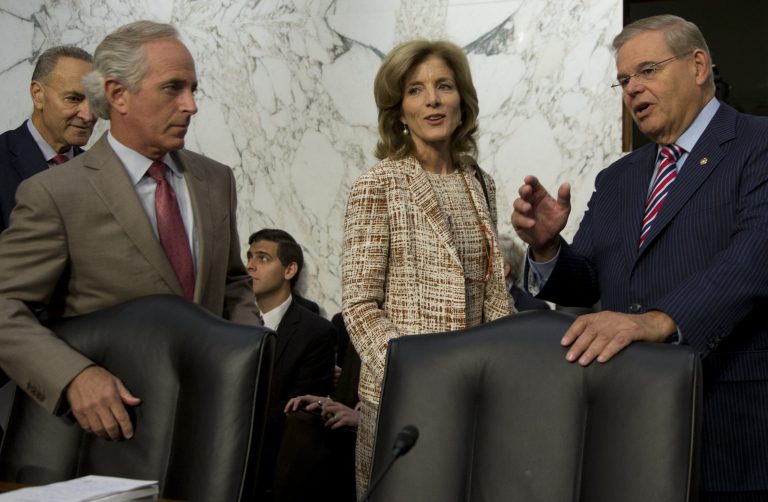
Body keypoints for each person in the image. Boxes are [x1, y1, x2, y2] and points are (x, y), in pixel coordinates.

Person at [512, 15, 768, 500]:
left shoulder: (758, 145)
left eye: (647, 70)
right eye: (624, 79)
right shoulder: (618, 177)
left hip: (732, 425)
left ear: (697, 66)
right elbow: (584, 283)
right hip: (628, 427)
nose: (632, 89)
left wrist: (659, 319)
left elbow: (753, 260)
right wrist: (547, 248)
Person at [0, 20, 259, 443]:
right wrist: (73, 375)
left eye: (194, 88)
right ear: (118, 94)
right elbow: (5, 307)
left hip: (210, 426)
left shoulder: (216, 180)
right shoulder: (56, 192)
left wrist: (251, 356)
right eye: (173, 87)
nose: (191, 104)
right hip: (108, 435)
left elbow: (232, 284)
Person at [342, 39, 512, 496]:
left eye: (444, 86)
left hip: (477, 400)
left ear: (462, 101)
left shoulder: (481, 183)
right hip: (405, 403)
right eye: (415, 90)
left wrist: (506, 370)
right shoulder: (379, 184)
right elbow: (359, 306)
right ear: (399, 111)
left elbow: (494, 292)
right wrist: (414, 373)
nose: (432, 99)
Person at [246, 228, 336, 499]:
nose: (250, 266)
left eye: (262, 258)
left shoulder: (316, 331)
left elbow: (296, 411)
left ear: (289, 270)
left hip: (272, 462)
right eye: (249, 256)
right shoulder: (224, 318)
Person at [0, 45, 96, 232]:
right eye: (73, 99)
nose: (89, 115)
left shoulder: (99, 169)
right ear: (38, 95)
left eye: (95, 101)